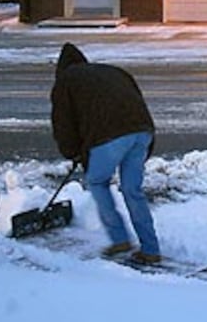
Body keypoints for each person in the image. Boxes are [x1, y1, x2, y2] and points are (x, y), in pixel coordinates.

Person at [51, 42, 161, 264]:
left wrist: (73, 153)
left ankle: (119, 238)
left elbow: (63, 124)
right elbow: (136, 101)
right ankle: (151, 249)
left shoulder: (66, 81)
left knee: (97, 182)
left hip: (111, 137)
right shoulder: (112, 71)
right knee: (133, 190)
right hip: (142, 131)